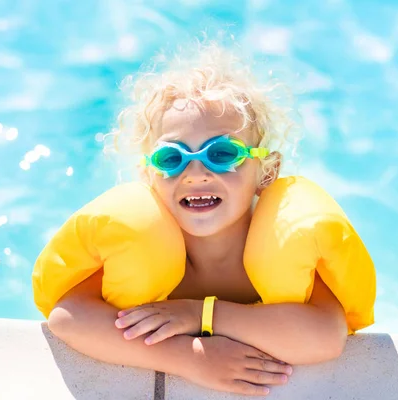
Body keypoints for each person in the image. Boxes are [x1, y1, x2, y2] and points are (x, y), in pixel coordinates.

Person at [34, 40, 374, 397]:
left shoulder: (284, 240)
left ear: (267, 171)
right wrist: (189, 358)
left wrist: (198, 315)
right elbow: (67, 317)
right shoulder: (141, 243)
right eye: (171, 159)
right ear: (149, 176)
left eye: (222, 153)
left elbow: (326, 335)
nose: (195, 172)